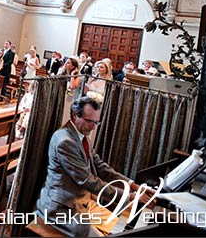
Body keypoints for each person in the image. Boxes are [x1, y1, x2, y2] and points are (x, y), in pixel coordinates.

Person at [35, 96, 156, 236]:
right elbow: (87, 180)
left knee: (118, 226)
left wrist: (135, 186)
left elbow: (101, 168)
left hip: (81, 202)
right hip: (60, 207)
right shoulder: (65, 141)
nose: (93, 127)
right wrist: (129, 196)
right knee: (97, 233)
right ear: (75, 115)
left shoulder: (81, 135)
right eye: (89, 121)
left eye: (96, 123)